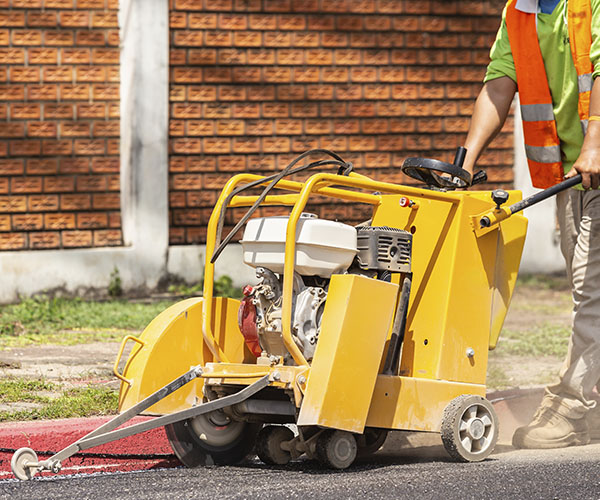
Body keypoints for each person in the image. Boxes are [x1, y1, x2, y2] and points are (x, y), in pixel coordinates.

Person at [462, 0, 600, 449]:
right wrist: (464, 165)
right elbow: (499, 86)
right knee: (588, 290)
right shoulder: (519, 12)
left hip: (594, 164)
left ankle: (574, 408)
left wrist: (595, 143)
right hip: (575, 179)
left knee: (591, 291)